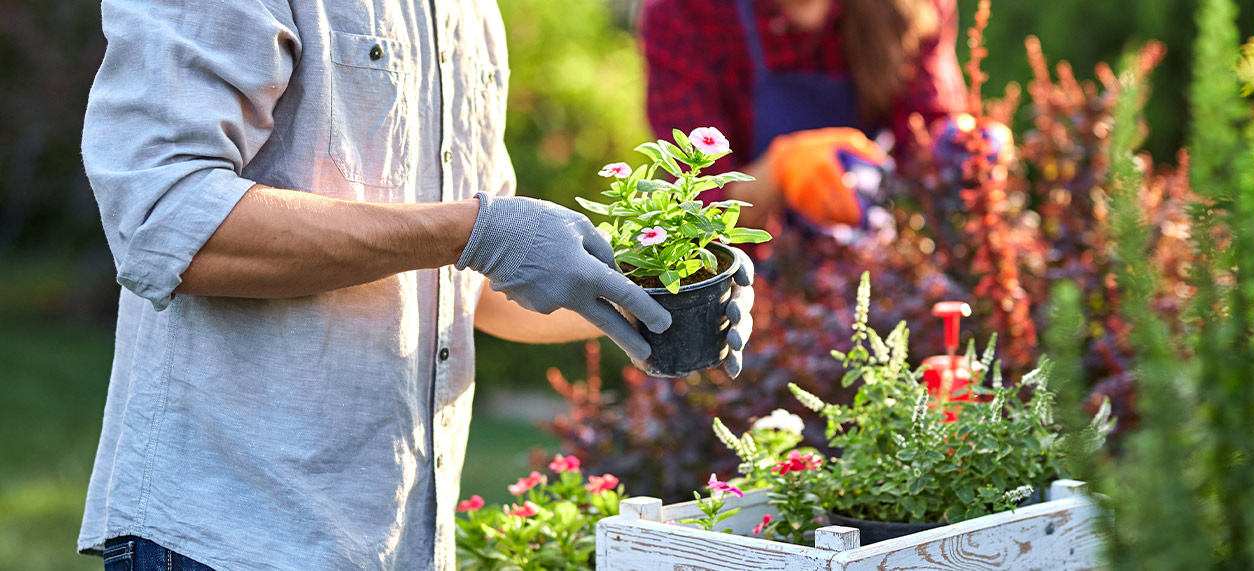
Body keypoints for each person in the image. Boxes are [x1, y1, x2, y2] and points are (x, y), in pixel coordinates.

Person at [77, 1, 753, 570]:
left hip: (402, 541)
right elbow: (164, 218)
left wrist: (659, 302)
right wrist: (472, 232)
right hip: (233, 534)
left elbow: (479, 287)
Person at [641, 0, 966, 230]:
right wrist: (779, 170)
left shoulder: (912, 6)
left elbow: (927, 135)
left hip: (877, 240)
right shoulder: (683, 15)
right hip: (758, 276)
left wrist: (964, 148)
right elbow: (701, 202)